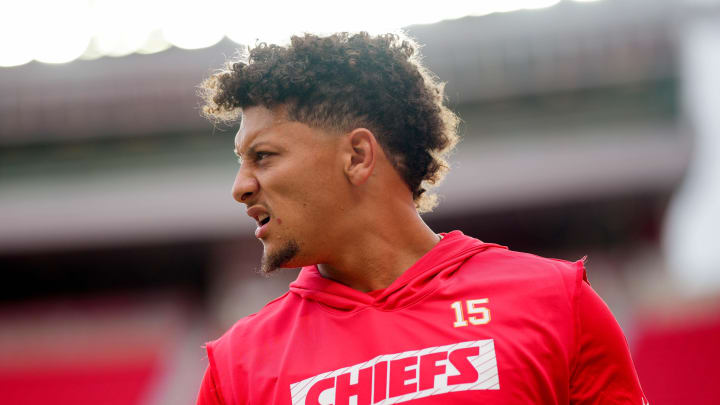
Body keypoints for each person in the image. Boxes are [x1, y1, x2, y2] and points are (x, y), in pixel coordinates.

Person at [195, 32, 647, 405]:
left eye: (263, 156)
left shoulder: (554, 301)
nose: (241, 187)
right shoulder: (237, 367)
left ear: (357, 156)